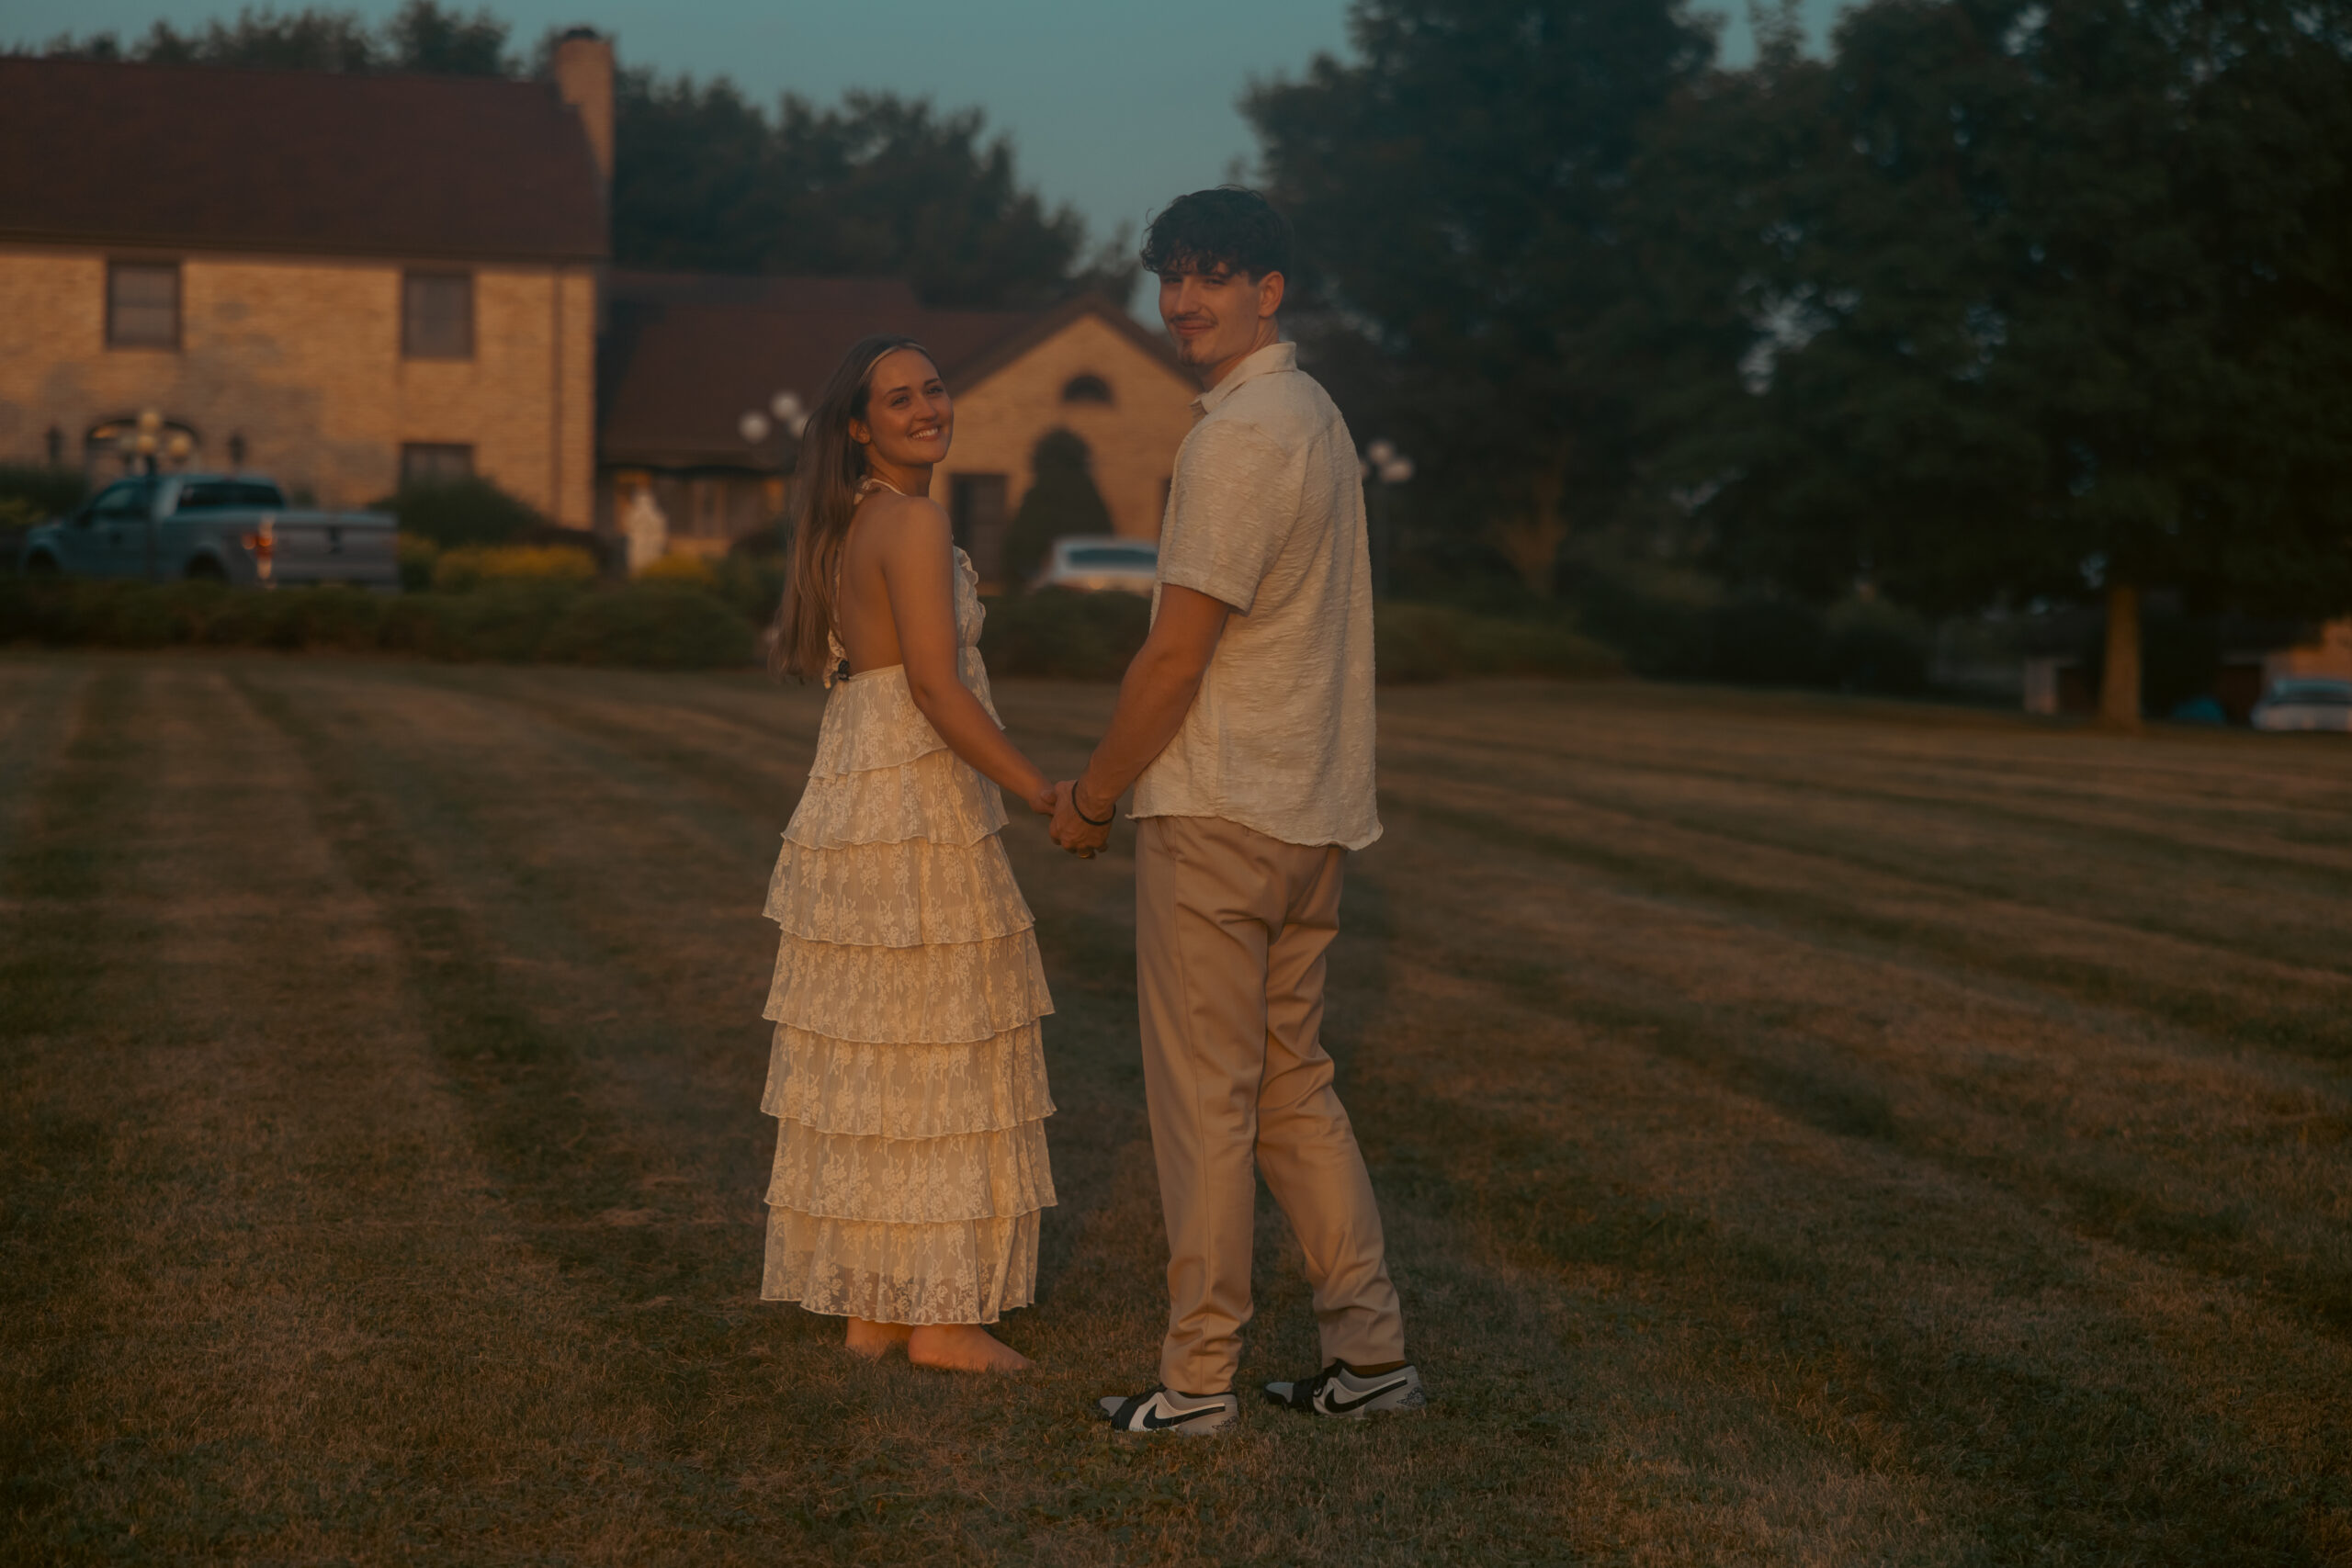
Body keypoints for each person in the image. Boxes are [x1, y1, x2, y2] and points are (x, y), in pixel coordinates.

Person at [1052, 189, 1422, 1434]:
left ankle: (1198, 1381)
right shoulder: (1316, 417)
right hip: (1306, 814)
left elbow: (1173, 656)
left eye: (1212, 276)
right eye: (1170, 277)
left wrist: (1096, 793)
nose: (1182, 301)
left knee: (1207, 1102)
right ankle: (1372, 1360)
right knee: (1288, 1088)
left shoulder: (1238, 437)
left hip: (1218, 812)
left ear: (1272, 290)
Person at [759, 334, 1058, 1374]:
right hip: (913, 800)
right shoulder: (918, 521)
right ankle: (936, 1318)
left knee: (881, 1054)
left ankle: (874, 1311)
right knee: (947, 1048)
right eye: (899, 399)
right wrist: (1039, 788)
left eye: (933, 388)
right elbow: (935, 688)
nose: (927, 406)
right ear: (859, 427)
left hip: (852, 793)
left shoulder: (850, 527)